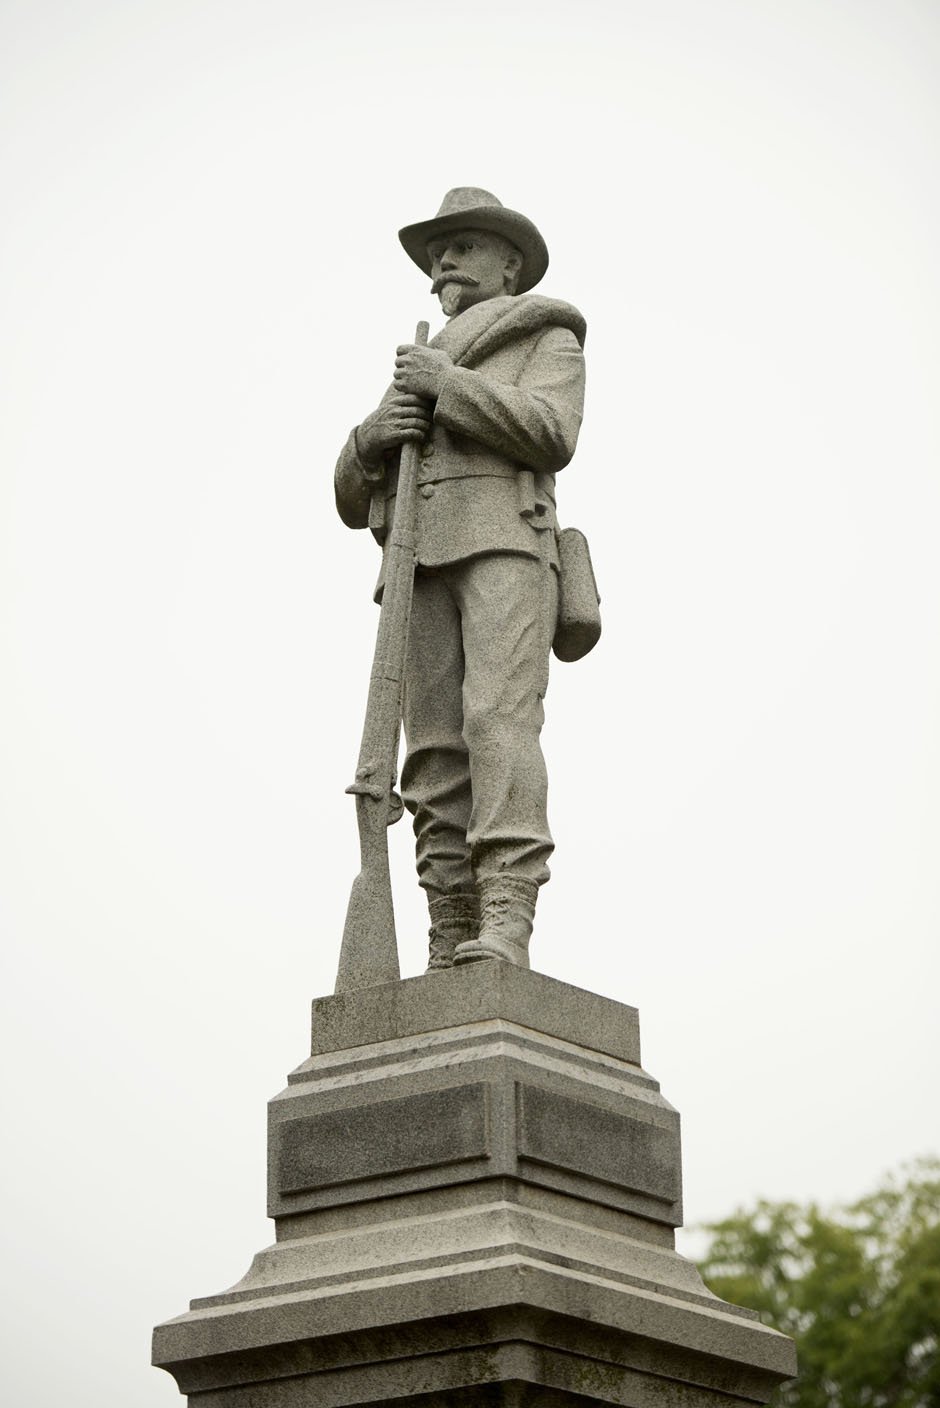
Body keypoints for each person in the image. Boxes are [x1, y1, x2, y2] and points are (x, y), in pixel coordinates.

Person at [335, 188, 586, 970]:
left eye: (463, 246)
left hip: (505, 543)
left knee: (498, 725)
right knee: (432, 754)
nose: (442, 263)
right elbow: (349, 497)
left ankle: (506, 916)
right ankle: (450, 925)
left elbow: (552, 432)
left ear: (509, 264)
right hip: (413, 560)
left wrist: (448, 387)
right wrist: (369, 439)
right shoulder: (420, 365)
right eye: (436, 253)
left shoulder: (545, 338)